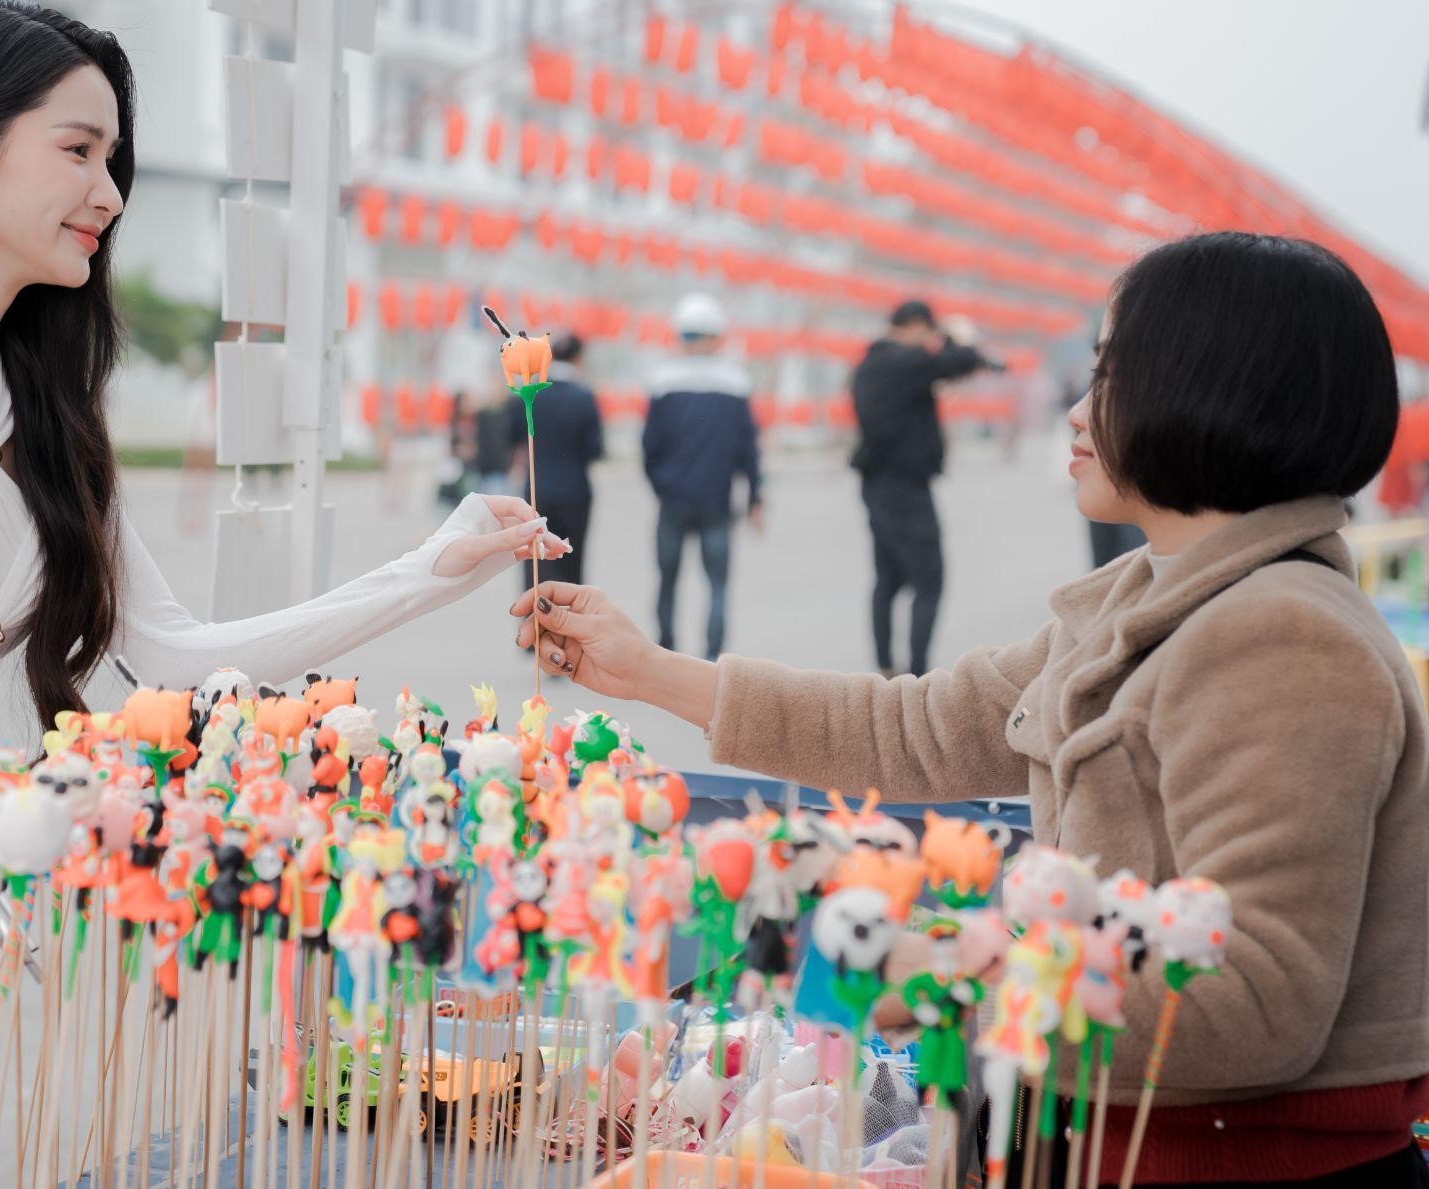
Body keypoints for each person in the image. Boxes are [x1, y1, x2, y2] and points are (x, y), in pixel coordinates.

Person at [0, 0, 566, 1188]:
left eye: (111, 159)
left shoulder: (47, 413)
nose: (108, 193)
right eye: (76, 149)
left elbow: (171, 657)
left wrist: (428, 570)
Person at [515, 233, 1429, 1186]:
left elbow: (1255, 1001)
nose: (1076, 412)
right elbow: (916, 728)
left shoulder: (1284, 640)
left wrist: (950, 972)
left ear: (1217, 388)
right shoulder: (1145, 598)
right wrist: (649, 670)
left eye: (1112, 376)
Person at [849, 300, 998, 676]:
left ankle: (885, 664)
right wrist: (953, 336)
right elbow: (960, 360)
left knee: (888, 578)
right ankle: (916, 674)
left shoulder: (872, 363)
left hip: (877, 485)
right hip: (906, 489)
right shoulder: (904, 361)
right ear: (915, 325)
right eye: (928, 333)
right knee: (929, 581)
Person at [642, 292, 763, 661]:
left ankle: (666, 650)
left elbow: (650, 447)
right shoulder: (735, 383)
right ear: (717, 336)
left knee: (667, 580)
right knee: (718, 584)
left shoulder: (663, 381)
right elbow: (748, 449)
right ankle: (712, 658)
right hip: (717, 501)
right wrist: (755, 496)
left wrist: (662, 484)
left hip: (673, 501)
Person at [507, 333, 602, 587]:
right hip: (575, 491)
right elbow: (595, 450)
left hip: (537, 490)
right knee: (571, 560)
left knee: (535, 562)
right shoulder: (584, 397)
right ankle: (569, 622)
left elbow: (512, 438)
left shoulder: (529, 394)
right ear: (579, 357)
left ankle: (535, 620)